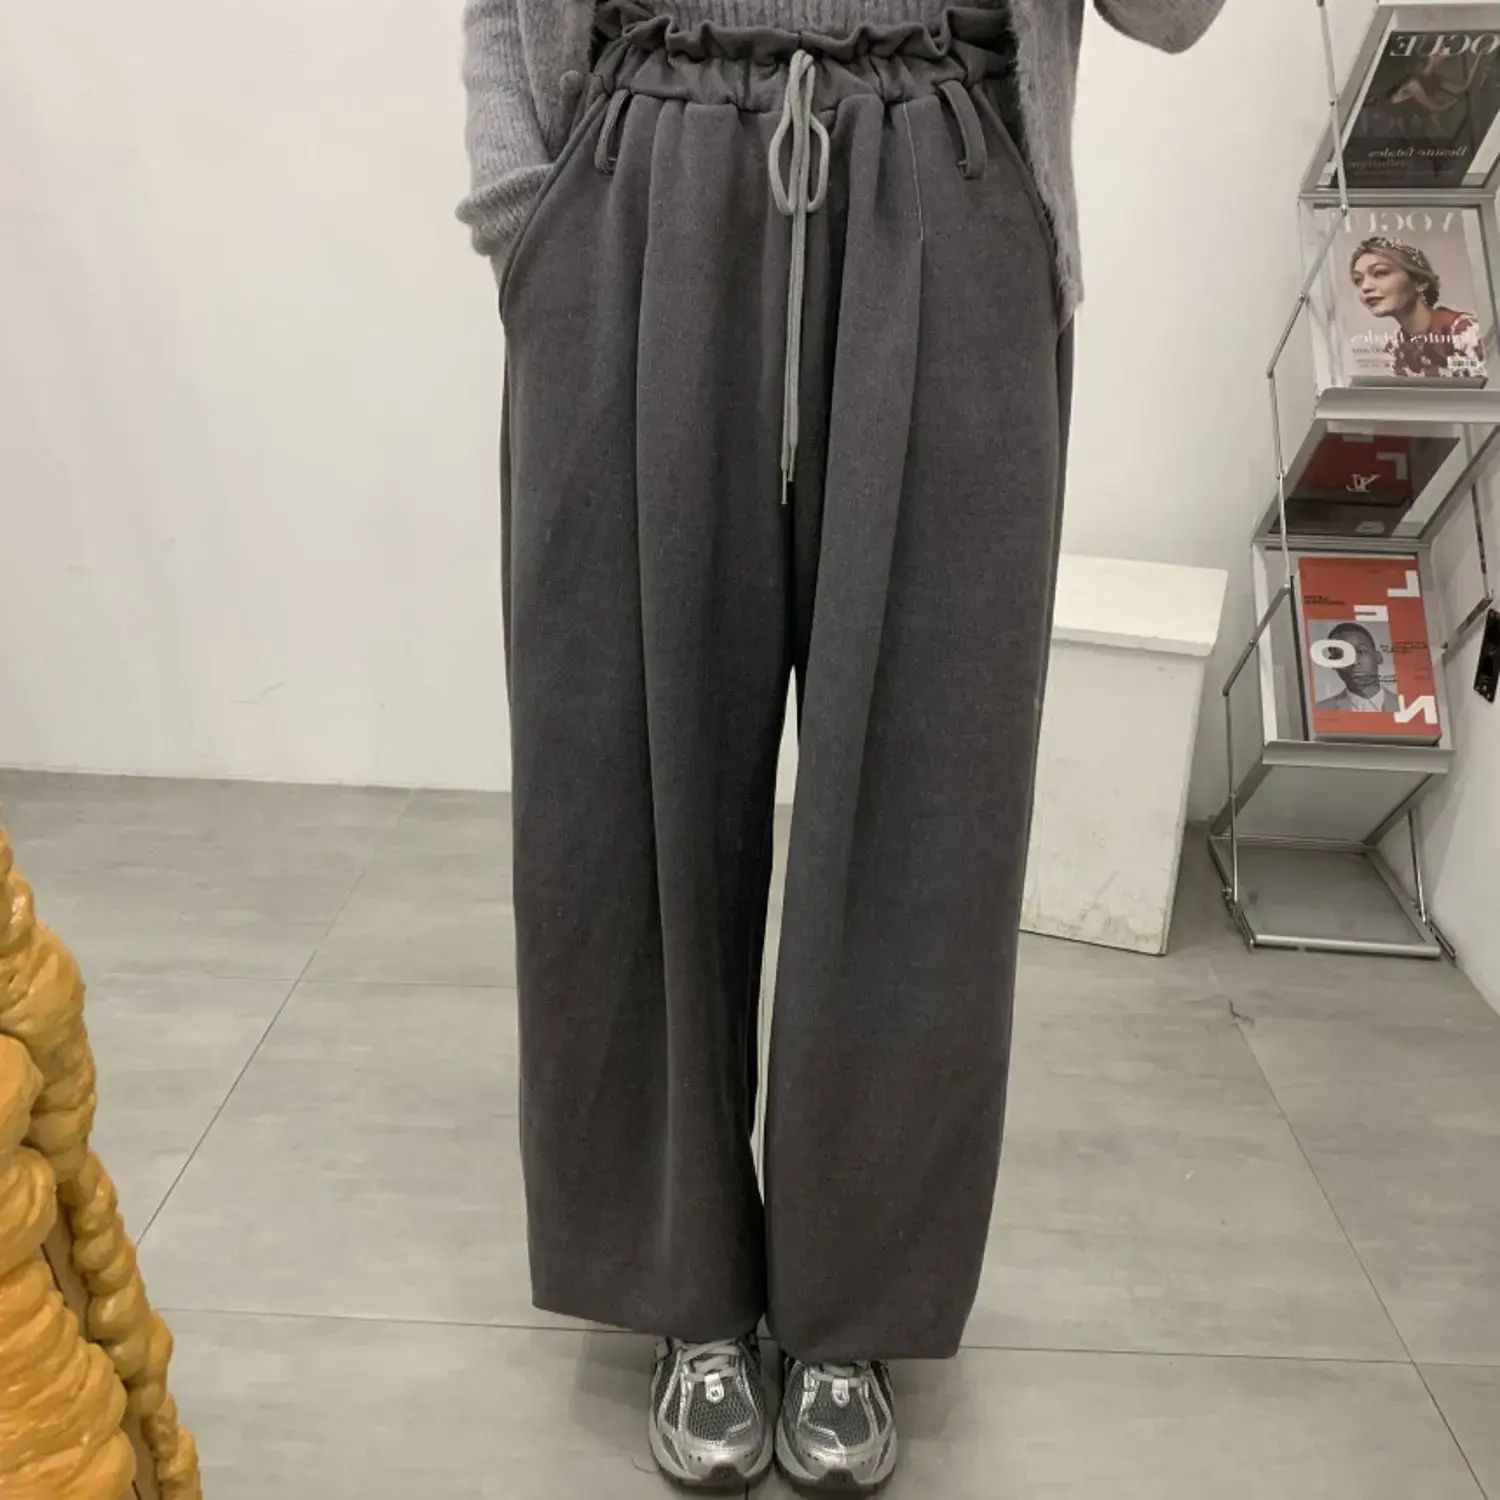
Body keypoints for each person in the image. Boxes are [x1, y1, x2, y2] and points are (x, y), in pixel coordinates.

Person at [459, 0, 1228, 1489]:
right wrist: (524, 217)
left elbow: (1177, 17)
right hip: (646, 166)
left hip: (946, 169)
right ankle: (680, 1285)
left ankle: (851, 1304)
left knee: (930, 792)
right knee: (620, 769)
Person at [1349, 236, 1486, 380]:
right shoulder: (1395, 349)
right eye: (1358, 280)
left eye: (1380, 273)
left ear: (1420, 282)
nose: (1365, 287)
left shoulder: (1467, 332)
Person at [1316, 622, 1399, 714]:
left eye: (1361, 651)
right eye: (1343, 656)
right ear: (1333, 663)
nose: (1354, 661)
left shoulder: (1406, 706)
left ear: (1378, 657)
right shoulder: (1319, 710)